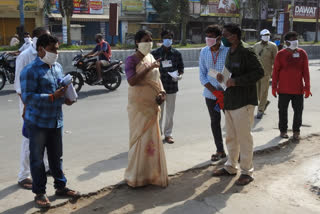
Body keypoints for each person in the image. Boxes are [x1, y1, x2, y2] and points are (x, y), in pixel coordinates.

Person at [20, 34, 80, 208]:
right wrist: (52, 97)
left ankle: (60, 187)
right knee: (37, 159)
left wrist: (66, 98)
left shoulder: (58, 67)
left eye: (57, 48)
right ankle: (39, 193)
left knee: (56, 157)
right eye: (53, 49)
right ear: (40, 49)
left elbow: (61, 90)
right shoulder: (30, 70)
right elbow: (28, 97)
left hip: (56, 120)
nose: (56, 52)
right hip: (37, 122)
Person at [212, 23, 264, 186]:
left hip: (243, 101)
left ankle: (247, 171)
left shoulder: (246, 51)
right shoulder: (230, 51)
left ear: (234, 36)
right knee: (231, 137)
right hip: (230, 100)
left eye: (225, 35)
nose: (223, 39)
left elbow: (259, 72)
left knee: (244, 138)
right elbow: (230, 72)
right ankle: (230, 166)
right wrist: (223, 77)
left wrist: (237, 81)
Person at [124, 30, 168, 187]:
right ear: (137, 42)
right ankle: (137, 176)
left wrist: (162, 93)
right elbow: (132, 81)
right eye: (145, 40)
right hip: (138, 107)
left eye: (150, 40)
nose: (149, 43)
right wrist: (148, 68)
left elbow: (157, 80)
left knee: (151, 139)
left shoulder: (151, 57)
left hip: (152, 104)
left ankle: (152, 174)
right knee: (139, 139)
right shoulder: (131, 60)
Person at [14, 27, 51, 190]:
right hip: (29, 106)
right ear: (37, 39)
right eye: (46, 38)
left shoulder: (47, 55)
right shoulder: (25, 56)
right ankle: (23, 175)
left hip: (45, 104)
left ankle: (45, 166)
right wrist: (26, 108)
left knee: (45, 138)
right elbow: (19, 86)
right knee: (29, 140)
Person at [272, 31, 311, 140]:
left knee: (298, 111)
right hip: (283, 89)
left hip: (298, 90)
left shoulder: (302, 53)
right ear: (287, 42)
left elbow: (306, 72)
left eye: (296, 39)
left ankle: (296, 131)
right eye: (292, 40)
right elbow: (275, 72)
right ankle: (283, 131)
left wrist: (307, 87)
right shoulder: (280, 54)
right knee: (282, 111)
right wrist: (274, 87)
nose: (295, 41)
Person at [199, 25, 229, 161]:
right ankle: (220, 150)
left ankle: (235, 151)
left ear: (219, 38)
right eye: (207, 36)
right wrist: (215, 91)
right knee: (215, 122)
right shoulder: (204, 51)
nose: (209, 39)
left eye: (211, 37)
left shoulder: (228, 51)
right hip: (211, 95)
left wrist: (223, 90)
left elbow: (232, 72)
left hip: (228, 94)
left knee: (231, 123)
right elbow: (202, 75)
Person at [151, 30, 184, 144]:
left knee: (170, 113)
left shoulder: (177, 53)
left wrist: (179, 76)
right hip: (158, 88)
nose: (168, 40)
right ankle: (157, 134)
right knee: (158, 112)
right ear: (161, 39)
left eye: (170, 38)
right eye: (165, 38)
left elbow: (181, 69)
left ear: (172, 40)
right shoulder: (154, 53)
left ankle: (168, 134)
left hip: (171, 87)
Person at [253, 29, 278, 119]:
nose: (266, 36)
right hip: (255, 73)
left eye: (268, 34)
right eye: (265, 35)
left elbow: (276, 61)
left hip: (266, 73)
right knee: (256, 93)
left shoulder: (273, 46)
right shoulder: (256, 46)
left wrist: (275, 74)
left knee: (264, 91)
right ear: (261, 36)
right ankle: (265, 102)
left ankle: (260, 110)